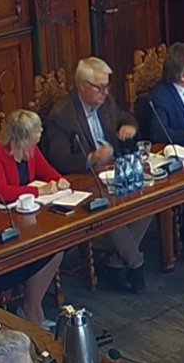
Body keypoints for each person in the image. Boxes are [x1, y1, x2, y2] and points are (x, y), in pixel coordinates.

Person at [40, 57, 153, 294]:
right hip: (84, 181)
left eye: (106, 86)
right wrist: (91, 158)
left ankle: (116, 262)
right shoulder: (62, 116)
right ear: (82, 86)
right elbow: (58, 159)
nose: (105, 92)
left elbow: (125, 117)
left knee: (148, 199)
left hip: (113, 173)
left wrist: (130, 127)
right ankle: (135, 263)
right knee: (108, 211)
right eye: (99, 87)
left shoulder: (105, 102)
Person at [0, 110, 65, 327]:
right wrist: (39, 191)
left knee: (56, 248)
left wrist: (59, 180)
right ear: (23, 136)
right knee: (36, 250)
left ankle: (32, 305)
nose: (41, 131)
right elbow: (1, 191)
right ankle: (32, 311)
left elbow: (47, 171)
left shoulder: (31, 149)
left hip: (26, 216)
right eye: (37, 130)